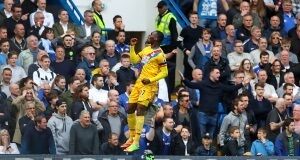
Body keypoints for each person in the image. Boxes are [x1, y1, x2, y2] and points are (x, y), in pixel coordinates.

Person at [122, 31, 168, 152]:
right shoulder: (147, 49)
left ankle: (136, 142)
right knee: (129, 109)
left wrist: (151, 79)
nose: (149, 36)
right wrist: (132, 47)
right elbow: (134, 60)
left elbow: (165, 72)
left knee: (140, 109)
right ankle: (132, 138)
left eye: (151, 35)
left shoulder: (160, 54)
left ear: (157, 38)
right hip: (139, 83)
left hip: (149, 85)